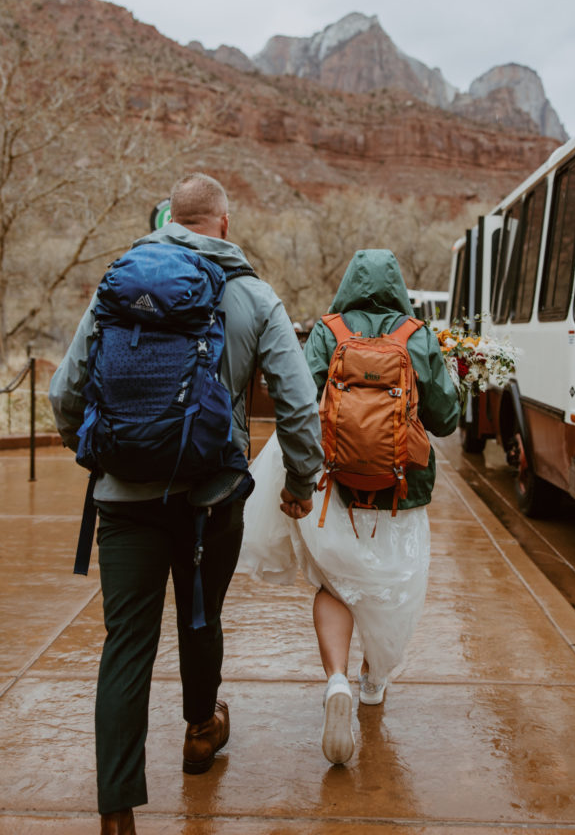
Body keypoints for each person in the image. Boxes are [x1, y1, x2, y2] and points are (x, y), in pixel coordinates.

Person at [49, 173, 323, 835]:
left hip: (122, 503)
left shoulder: (121, 282)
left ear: (171, 217)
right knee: (200, 617)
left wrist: (101, 457)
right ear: (222, 224)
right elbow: (297, 404)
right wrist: (300, 482)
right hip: (210, 500)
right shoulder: (254, 296)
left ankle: (117, 812)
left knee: (126, 645)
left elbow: (65, 393)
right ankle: (201, 733)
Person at [239, 248, 460, 765]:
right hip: (400, 491)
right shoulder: (417, 334)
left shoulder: (328, 331)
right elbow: (447, 418)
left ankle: (336, 680)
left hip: (332, 485)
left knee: (334, 584)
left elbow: (297, 399)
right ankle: (373, 681)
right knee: (391, 584)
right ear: (399, 285)